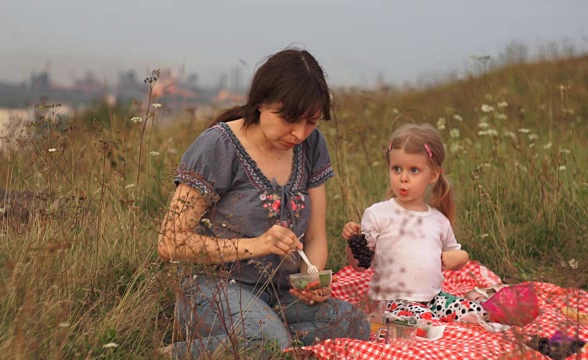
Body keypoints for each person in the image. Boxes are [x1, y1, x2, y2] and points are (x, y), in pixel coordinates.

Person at [157, 48, 370, 358]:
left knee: (353, 323)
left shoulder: (312, 145)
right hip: (212, 289)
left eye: (310, 122)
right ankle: (172, 353)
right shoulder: (217, 146)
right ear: (261, 103)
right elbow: (170, 242)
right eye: (289, 119)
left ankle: (268, 346)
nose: (299, 133)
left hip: (282, 294)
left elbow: (316, 237)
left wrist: (312, 279)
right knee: (268, 340)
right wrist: (259, 245)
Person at [342, 123, 488, 323]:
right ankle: (396, 321)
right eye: (396, 169)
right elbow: (360, 266)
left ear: (433, 175)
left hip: (433, 298)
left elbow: (456, 256)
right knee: (420, 321)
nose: (403, 178)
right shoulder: (378, 214)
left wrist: (461, 257)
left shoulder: (439, 220)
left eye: (414, 170)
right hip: (392, 301)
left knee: (478, 311)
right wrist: (353, 242)